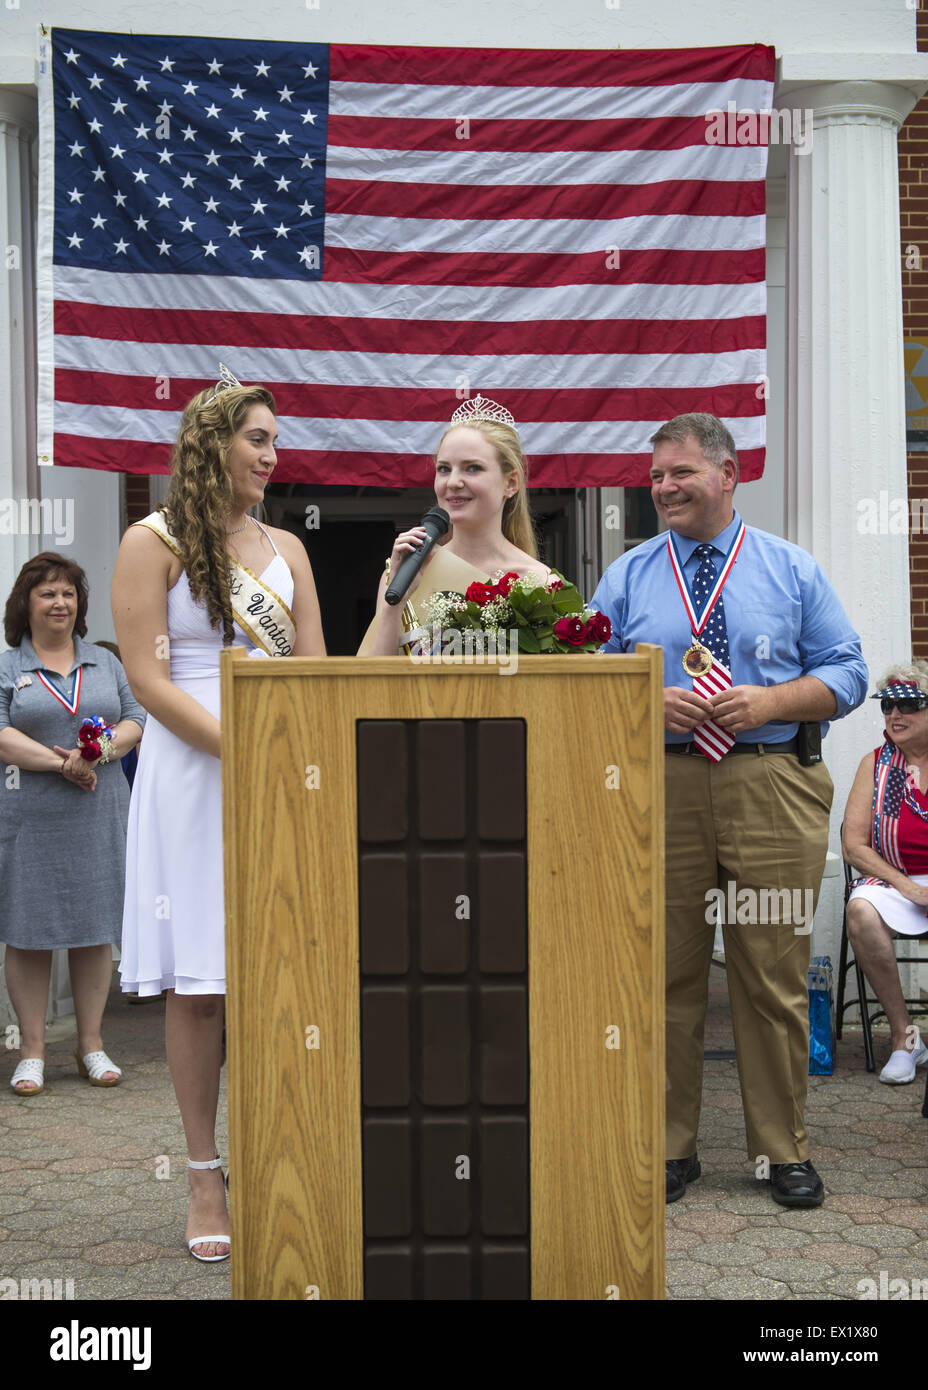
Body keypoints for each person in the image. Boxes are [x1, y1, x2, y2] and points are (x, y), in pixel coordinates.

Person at [590, 413, 867, 1208]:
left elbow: (848, 672)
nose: (665, 489)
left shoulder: (791, 570)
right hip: (663, 788)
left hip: (769, 781)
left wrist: (774, 698)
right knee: (665, 977)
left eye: (679, 473)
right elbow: (587, 675)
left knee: (770, 976)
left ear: (727, 475)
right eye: (655, 479)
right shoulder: (631, 575)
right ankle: (672, 1148)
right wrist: (645, 700)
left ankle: (783, 1152)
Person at [112, 369, 325, 1261]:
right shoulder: (150, 540)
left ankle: (288, 1155)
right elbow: (149, 681)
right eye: (259, 440)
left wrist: (300, 760)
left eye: (275, 442)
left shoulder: (290, 549)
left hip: (283, 773)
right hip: (194, 774)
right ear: (213, 444)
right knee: (202, 986)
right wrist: (245, 752)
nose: (273, 457)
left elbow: (313, 670)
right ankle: (204, 1171)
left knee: (286, 972)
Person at [0, 554, 145, 1096]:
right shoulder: (8, 669)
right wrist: (63, 763)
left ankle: (91, 1044)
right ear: (26, 604)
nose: (60, 603)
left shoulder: (105, 663)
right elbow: (1, 734)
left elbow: (136, 717)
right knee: (29, 930)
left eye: (68, 593)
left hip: (98, 811)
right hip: (30, 816)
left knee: (93, 928)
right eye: (47, 594)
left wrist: (96, 752)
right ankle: (32, 1052)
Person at [358, 395, 550, 656]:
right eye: (444, 469)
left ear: (511, 483)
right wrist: (395, 604)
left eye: (472, 468)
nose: (453, 482)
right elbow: (370, 684)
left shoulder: (537, 581)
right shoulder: (405, 573)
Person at [843, 664, 928, 1083]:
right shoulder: (877, 766)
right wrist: (907, 885)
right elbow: (854, 844)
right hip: (897, 880)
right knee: (860, 910)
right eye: (888, 705)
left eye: (909, 705)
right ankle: (905, 1038)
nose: (895, 714)